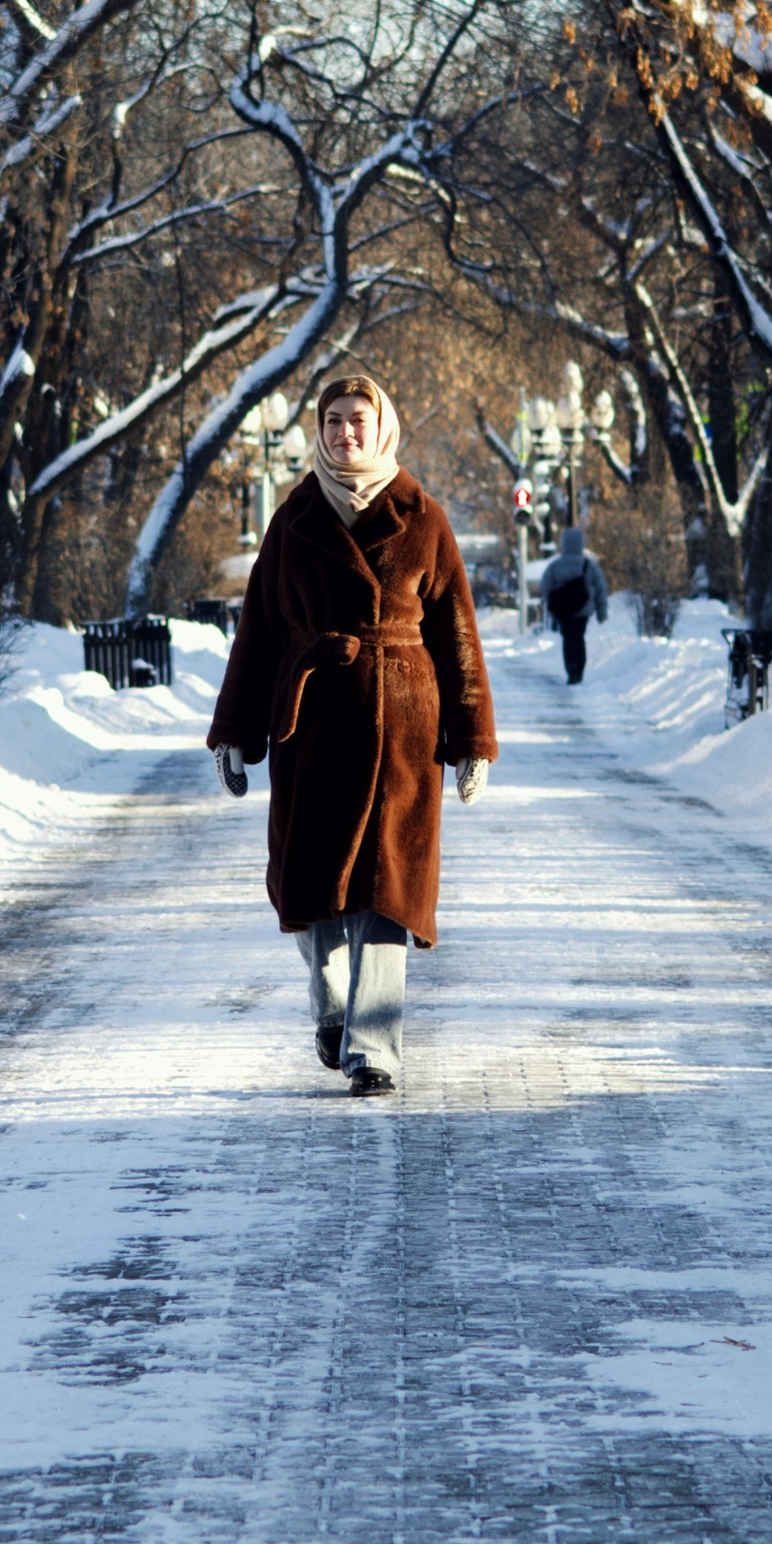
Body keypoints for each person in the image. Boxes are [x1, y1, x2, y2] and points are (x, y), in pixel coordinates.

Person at [206, 368, 497, 1096]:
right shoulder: (294, 517)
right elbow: (258, 632)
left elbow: (459, 634)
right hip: (309, 729)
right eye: (333, 420)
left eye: (357, 419)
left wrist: (472, 741)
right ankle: (334, 1008)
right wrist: (234, 730)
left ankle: (374, 1049)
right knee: (309, 886)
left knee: (388, 888)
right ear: (320, 429)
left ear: (382, 426)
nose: (345, 432)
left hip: (402, 731)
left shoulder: (423, 517)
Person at [538, 516, 609, 680]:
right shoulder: (588, 565)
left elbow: (545, 587)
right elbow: (600, 589)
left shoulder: (555, 565)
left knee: (567, 638)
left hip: (563, 611)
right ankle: (579, 670)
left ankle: (570, 668)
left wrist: (552, 605)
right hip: (582, 609)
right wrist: (602, 613)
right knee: (579, 637)